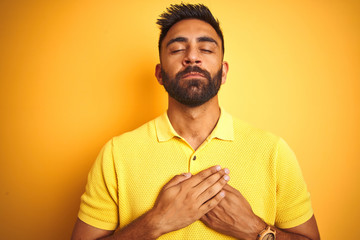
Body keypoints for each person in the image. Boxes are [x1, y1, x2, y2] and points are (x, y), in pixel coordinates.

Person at [71, 3, 320, 240]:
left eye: (206, 49)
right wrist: (156, 222)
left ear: (223, 72)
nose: (192, 57)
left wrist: (256, 230)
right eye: (178, 49)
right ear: (159, 73)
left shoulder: (273, 152)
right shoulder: (116, 154)